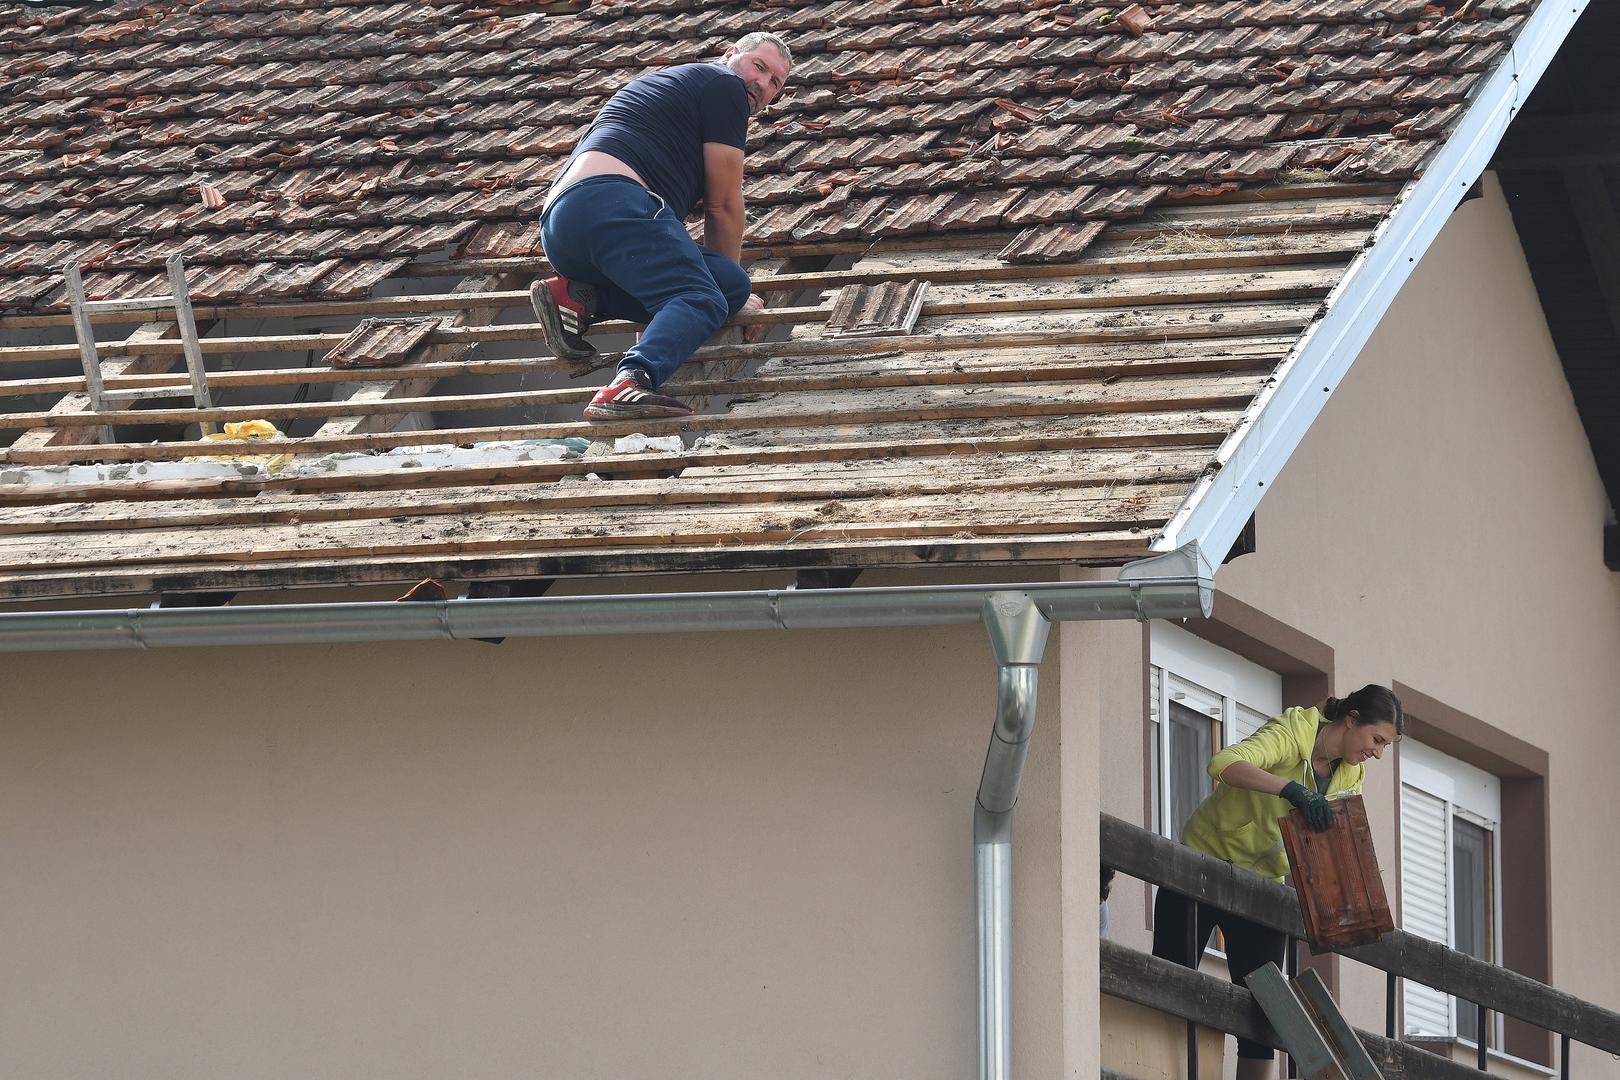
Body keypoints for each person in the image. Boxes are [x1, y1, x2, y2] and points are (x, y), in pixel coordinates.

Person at [530, 32, 791, 422]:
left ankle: (577, 296)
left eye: (776, 84)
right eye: (760, 66)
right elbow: (723, 205)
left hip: (564, 224)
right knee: (703, 298)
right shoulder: (723, 86)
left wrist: (727, 294)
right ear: (730, 54)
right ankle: (630, 382)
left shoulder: (677, 88)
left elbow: (666, 256)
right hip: (614, 202)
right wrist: (713, 305)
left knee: (731, 286)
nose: (762, 84)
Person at [1151, 684, 1403, 1080]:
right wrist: (1292, 790)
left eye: (1386, 745)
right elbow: (1224, 763)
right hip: (1204, 865)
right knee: (1167, 985)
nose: (1378, 752)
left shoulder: (1353, 775)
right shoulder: (1293, 732)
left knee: (1265, 1018)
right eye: (1376, 740)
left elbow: (1331, 844)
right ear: (1351, 720)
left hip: (1263, 885)